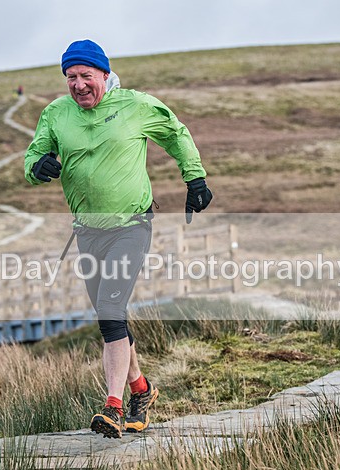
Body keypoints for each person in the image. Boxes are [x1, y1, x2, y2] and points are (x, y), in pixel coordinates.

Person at [24, 39, 213, 438]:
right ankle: (141, 390)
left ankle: (112, 408)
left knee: (111, 309)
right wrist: (37, 165)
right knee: (111, 320)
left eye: (85, 76)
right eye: (70, 77)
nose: (77, 84)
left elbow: (176, 134)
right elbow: (32, 156)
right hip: (87, 232)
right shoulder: (56, 114)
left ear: (104, 76)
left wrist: (194, 178)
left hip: (131, 226)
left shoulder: (136, 106)